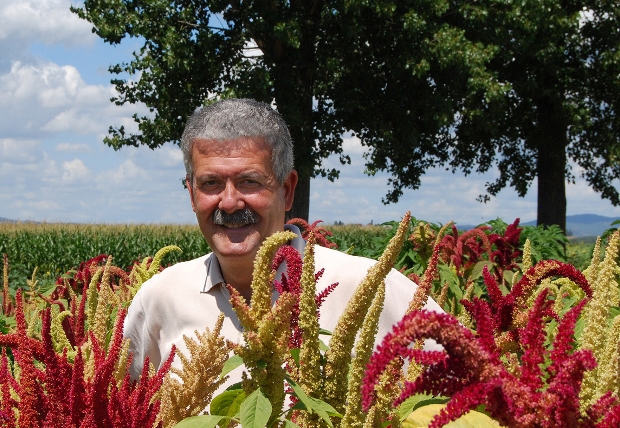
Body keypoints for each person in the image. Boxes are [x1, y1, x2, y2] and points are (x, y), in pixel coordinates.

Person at [123, 98, 443, 382]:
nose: (230, 202)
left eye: (249, 181)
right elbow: (127, 407)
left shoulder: (371, 287)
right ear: (192, 194)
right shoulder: (161, 297)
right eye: (211, 183)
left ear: (287, 190)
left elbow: (473, 390)